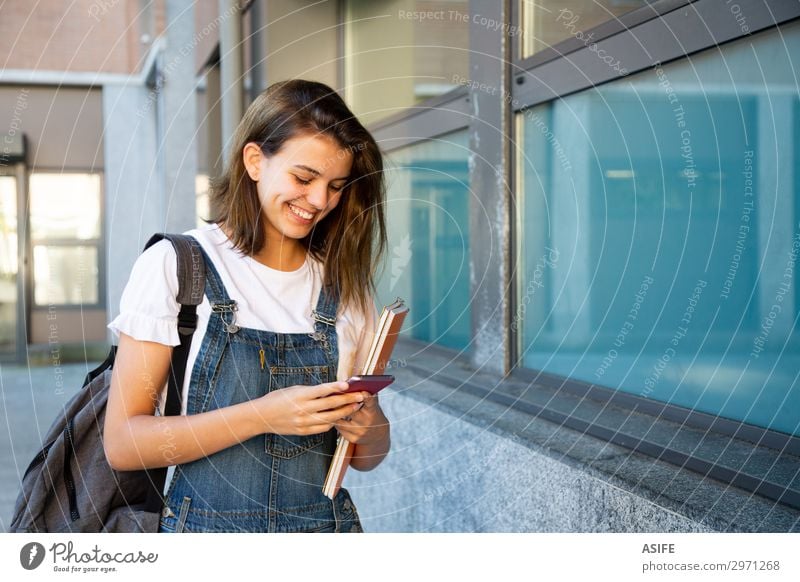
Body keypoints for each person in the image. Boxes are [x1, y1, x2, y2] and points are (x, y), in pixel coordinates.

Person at [104, 79, 389, 533]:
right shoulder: (178, 266)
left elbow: (367, 459)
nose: (319, 201)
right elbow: (123, 443)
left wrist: (370, 426)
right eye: (304, 177)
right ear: (255, 160)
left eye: (336, 186)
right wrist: (263, 415)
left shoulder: (346, 288)